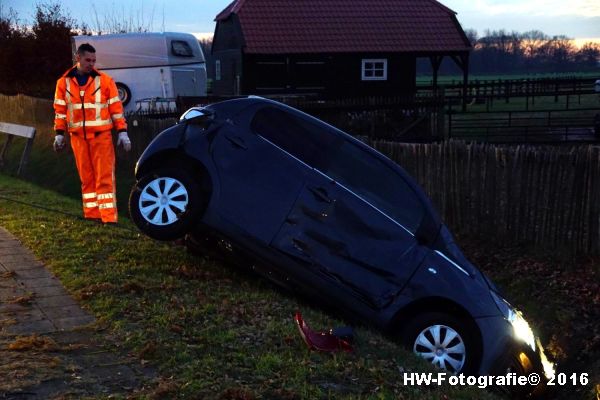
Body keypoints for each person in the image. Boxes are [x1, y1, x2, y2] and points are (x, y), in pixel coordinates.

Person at [53, 43, 131, 224]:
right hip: (78, 138)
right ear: (77, 58)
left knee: (104, 178)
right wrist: (59, 133)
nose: (91, 64)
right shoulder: (63, 82)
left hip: (101, 137)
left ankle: (109, 219)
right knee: (86, 179)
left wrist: (122, 132)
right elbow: (60, 111)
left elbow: (116, 110)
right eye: (88, 60)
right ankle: (92, 216)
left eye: (94, 60)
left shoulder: (105, 81)